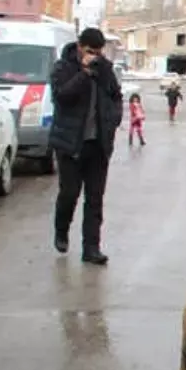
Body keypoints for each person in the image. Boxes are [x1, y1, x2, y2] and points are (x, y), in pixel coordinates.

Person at [48, 27, 123, 265]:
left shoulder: (105, 69)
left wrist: (113, 119)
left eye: (98, 52)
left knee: (95, 199)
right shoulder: (63, 68)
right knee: (69, 193)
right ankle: (61, 231)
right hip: (70, 144)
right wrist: (84, 73)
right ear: (80, 46)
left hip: (97, 145)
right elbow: (62, 96)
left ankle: (91, 248)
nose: (95, 56)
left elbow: (115, 95)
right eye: (90, 51)